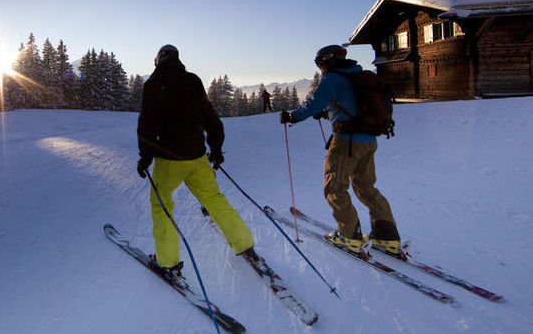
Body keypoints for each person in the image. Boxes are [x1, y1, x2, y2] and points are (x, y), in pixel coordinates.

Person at [137, 44, 258, 280]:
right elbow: (210, 117)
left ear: (157, 60)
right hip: (197, 156)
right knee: (214, 198)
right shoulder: (192, 80)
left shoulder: (152, 84)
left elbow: (146, 124)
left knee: (161, 206)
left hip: (169, 160)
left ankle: (167, 262)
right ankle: (243, 242)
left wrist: (145, 156)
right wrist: (216, 149)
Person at [279, 45, 401, 254]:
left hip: (346, 142)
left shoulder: (333, 78)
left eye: (320, 65)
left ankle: (348, 235)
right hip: (368, 140)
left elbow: (314, 103)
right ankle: (386, 236)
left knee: (334, 187)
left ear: (326, 61)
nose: (321, 69)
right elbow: (352, 105)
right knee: (366, 187)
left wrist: (292, 116)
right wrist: (328, 114)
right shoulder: (357, 75)